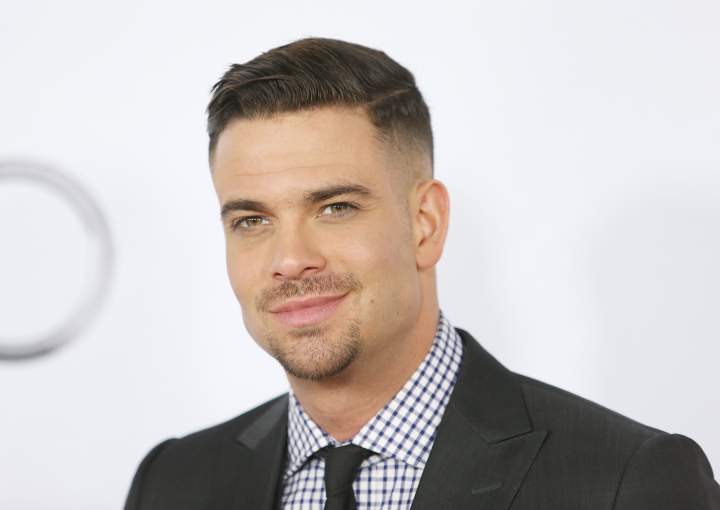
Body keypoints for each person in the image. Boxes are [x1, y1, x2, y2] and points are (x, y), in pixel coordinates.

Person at [123, 37, 720, 509]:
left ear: (425, 224)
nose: (289, 259)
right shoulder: (174, 484)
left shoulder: (625, 481)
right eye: (252, 220)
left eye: (335, 208)